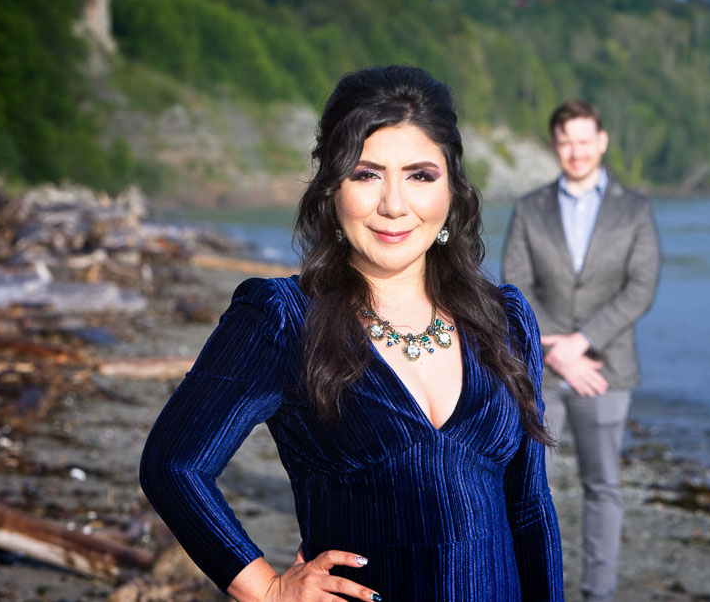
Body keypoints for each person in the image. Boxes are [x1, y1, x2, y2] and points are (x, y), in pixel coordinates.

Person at [140, 65, 564, 602]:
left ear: (453, 190)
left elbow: (529, 509)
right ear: (331, 190)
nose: (393, 203)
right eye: (365, 174)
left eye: (420, 175)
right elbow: (174, 466)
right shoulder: (283, 317)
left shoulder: (504, 320)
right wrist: (267, 589)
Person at [502, 100, 660, 602]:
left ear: (602, 141)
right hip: (539, 372)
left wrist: (583, 341)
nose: (576, 150)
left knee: (603, 487)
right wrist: (557, 352)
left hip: (607, 370)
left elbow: (641, 286)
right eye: (566, 141)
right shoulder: (529, 208)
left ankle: (598, 593)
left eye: (584, 140)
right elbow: (515, 285)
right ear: (555, 145)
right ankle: (528, 587)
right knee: (526, 486)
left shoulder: (635, 209)